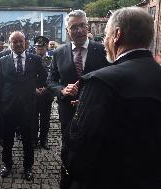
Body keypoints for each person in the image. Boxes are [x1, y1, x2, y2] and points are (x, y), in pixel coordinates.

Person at [61, 7, 161, 189]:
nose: (105, 40)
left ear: (117, 35)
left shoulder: (100, 81)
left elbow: (80, 146)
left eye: (106, 34)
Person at [0, 31, 47, 181]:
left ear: (25, 42)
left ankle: (28, 166)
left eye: (20, 41)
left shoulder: (35, 59)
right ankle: (7, 164)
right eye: (14, 42)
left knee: (28, 140)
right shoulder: (2, 61)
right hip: (8, 108)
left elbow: (43, 75)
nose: (17, 44)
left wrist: (38, 86)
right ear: (10, 44)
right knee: (7, 139)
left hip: (28, 108)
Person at [48, 9, 108, 136]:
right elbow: (50, 81)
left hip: (96, 111)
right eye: (74, 27)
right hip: (68, 111)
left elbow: (110, 80)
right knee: (68, 150)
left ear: (87, 27)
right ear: (67, 31)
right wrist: (63, 90)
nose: (79, 30)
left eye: (82, 25)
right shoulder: (59, 53)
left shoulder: (103, 51)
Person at [33, 36, 54, 150]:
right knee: (34, 118)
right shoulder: (30, 59)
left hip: (47, 93)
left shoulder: (52, 59)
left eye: (41, 47)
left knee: (45, 119)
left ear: (46, 47)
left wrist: (46, 88)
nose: (39, 49)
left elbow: (55, 76)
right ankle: (34, 139)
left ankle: (43, 140)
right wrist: (33, 88)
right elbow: (27, 77)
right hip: (34, 93)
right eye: (37, 47)